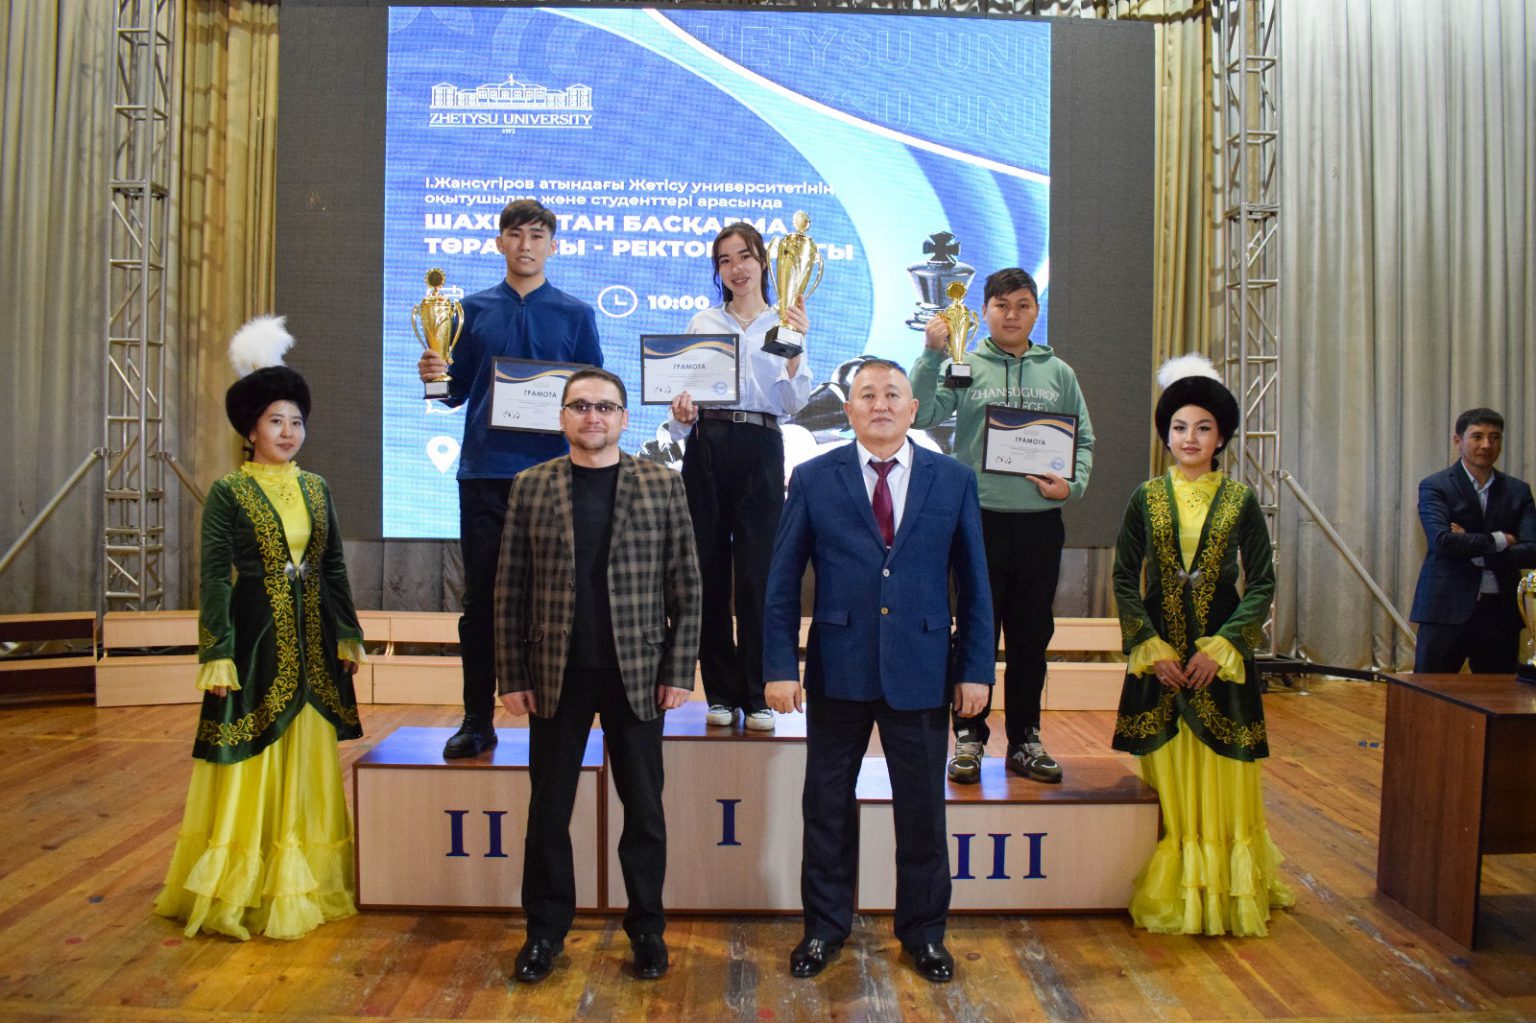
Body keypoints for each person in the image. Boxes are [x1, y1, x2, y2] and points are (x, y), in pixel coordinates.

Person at [762, 360, 993, 983]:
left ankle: (925, 934)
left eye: (893, 394)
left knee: (923, 814)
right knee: (826, 808)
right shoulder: (813, 477)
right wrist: (780, 665)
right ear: (850, 409)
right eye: (867, 394)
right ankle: (824, 929)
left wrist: (976, 668)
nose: (881, 404)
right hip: (838, 669)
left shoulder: (953, 479)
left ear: (914, 409)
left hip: (922, 669)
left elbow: (975, 584)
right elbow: (781, 582)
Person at [155, 316, 366, 941]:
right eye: (276, 421)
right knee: (253, 754)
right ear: (251, 430)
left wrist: (346, 632)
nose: (289, 432)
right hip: (253, 642)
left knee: (306, 755)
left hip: (312, 644)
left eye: (297, 421)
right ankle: (243, 886)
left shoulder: (317, 487)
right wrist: (216, 652)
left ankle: (304, 878)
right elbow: (215, 576)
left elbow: (331, 565)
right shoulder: (229, 491)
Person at [494, 368, 701, 984]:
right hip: (554, 675)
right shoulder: (531, 486)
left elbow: (687, 586)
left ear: (624, 418)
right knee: (548, 812)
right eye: (581, 406)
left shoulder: (662, 484)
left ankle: (647, 931)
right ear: (562, 416)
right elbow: (509, 589)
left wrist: (679, 670)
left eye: (605, 407)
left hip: (639, 673)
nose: (593, 416)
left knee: (645, 813)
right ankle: (544, 933)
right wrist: (511, 674)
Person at [1110, 353, 1293, 937]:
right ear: (1166, 435)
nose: (1190, 437)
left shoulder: (1240, 500)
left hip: (1221, 664)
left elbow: (1262, 581)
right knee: (1168, 778)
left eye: (1203, 427)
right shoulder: (1145, 497)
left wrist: (1224, 646)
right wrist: (1150, 645)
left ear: (1221, 438)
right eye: (1179, 427)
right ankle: (1176, 882)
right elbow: (1123, 577)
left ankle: (1222, 893)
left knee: (1223, 774)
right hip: (1161, 661)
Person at [418, 199, 603, 759]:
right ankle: (477, 719)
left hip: (555, 478)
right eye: (516, 234)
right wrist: (433, 374)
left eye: (537, 235)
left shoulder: (576, 314)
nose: (526, 245)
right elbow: (453, 394)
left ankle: (557, 718)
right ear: (500, 242)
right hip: (485, 474)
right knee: (481, 603)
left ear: (553, 246)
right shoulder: (467, 311)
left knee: (555, 601)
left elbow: (593, 393)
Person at [911, 267, 1094, 785]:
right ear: (985, 311)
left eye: (1022, 305)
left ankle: (1025, 739)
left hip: (1039, 525)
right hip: (978, 522)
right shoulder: (964, 361)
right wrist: (932, 354)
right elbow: (922, 415)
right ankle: (969, 737)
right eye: (1001, 305)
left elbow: (1083, 442)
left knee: (1031, 637)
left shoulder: (1059, 373)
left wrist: (1071, 486)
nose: (1011, 315)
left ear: (1036, 311)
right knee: (974, 633)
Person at [667, 223, 812, 732]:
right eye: (725, 260)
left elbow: (794, 403)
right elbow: (680, 397)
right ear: (718, 270)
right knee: (707, 570)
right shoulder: (703, 321)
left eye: (745, 256)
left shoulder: (784, 321)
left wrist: (796, 349)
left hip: (762, 445)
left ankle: (757, 693)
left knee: (758, 574)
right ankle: (721, 692)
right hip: (708, 443)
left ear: (763, 263)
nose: (737, 268)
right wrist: (681, 413)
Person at [1410, 407, 1536, 672]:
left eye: (1495, 437)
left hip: (1500, 612)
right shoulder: (1436, 485)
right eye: (1477, 436)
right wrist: (1501, 540)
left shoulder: (1518, 491)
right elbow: (1442, 541)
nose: (1487, 445)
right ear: (1458, 441)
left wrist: (1473, 548)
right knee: (1429, 690)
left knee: (1498, 693)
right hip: (1445, 608)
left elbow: (1531, 550)